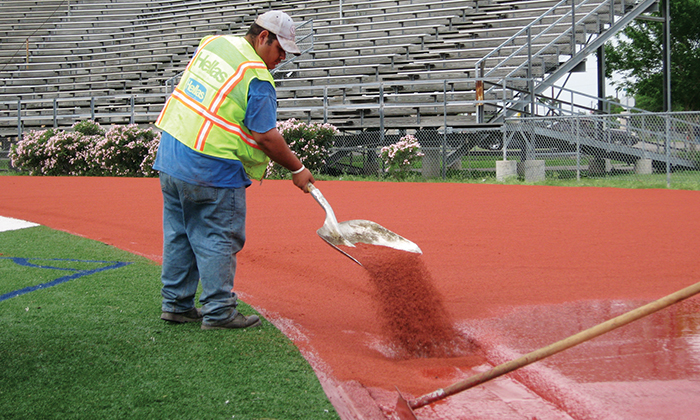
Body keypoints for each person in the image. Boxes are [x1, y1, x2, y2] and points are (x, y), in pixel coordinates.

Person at [153, 10, 315, 330]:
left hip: (171, 155)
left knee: (180, 234)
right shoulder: (258, 77)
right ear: (263, 37)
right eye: (279, 49)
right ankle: (218, 311)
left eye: (287, 53)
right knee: (219, 238)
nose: (281, 58)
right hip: (211, 167)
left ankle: (176, 304)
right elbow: (266, 137)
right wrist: (298, 168)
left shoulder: (214, 44)